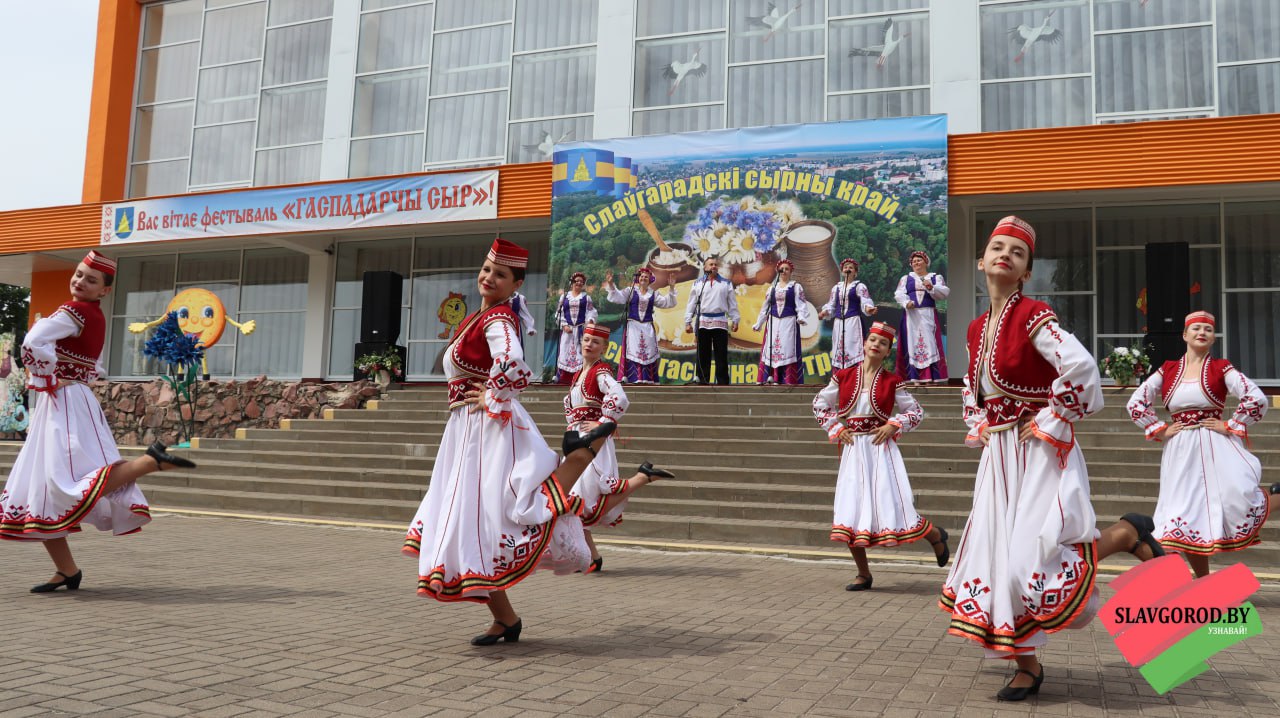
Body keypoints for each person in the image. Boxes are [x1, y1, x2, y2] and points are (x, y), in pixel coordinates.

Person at [944, 216, 1165, 701]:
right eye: (997, 248)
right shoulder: (977, 327)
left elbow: (1082, 367)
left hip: (1040, 451)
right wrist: (978, 422)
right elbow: (972, 385)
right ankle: (1027, 666)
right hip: (999, 457)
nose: (1005, 255)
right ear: (980, 262)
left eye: (1017, 253)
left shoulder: (1034, 316)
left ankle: (1126, 534)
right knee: (999, 562)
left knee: (1031, 559)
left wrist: (1052, 417)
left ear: (1025, 272)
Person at [402, 238, 617, 646]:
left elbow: (515, 363)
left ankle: (580, 457)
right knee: (471, 523)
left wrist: (492, 395)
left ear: (515, 283)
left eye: (500, 274)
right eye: (486, 269)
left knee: (490, 516)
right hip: (467, 430)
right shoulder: (482, 316)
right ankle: (506, 619)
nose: (489, 277)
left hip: (486, 430)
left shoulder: (497, 318)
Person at [0, 250, 197, 592]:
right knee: (43, 489)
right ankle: (67, 571)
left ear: (104, 290)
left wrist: (47, 378)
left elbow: (32, 341)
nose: (80, 282)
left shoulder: (74, 311)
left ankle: (150, 461)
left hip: (63, 401)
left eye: (90, 280)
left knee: (61, 483)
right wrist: (65, 376)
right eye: (78, 275)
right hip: (73, 398)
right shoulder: (95, 315)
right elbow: (96, 366)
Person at [1126, 310, 1280, 577]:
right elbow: (1135, 402)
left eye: (1208, 330)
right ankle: (1203, 581)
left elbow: (1256, 398)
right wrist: (1159, 429)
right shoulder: (1168, 369)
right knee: (1185, 515)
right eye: (1196, 328)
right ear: (1185, 335)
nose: (1202, 333)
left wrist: (1230, 424)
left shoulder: (1222, 368)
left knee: (1240, 499)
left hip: (1214, 445)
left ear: (1213, 338)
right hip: (1180, 450)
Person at [812, 322, 949, 592]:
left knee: (894, 506)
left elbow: (915, 411)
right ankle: (863, 574)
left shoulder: (892, 381)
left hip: (879, 448)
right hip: (853, 450)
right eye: (872, 340)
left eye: (882, 343)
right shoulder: (844, 376)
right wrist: (837, 427)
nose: (876, 345)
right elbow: (819, 404)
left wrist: (893, 425)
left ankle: (934, 534)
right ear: (864, 344)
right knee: (851, 509)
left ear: (887, 351)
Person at [566, 323, 676, 571]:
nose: (589, 344)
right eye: (586, 339)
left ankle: (641, 478)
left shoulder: (600, 372)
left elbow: (620, 397)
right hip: (578, 440)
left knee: (584, 502)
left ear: (604, 348)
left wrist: (603, 422)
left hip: (592, 442)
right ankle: (592, 558)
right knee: (574, 502)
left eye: (595, 342)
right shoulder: (577, 374)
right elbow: (571, 408)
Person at [604, 267, 677, 384]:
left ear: (649, 280)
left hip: (647, 326)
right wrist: (611, 284)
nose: (643, 278)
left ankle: (648, 378)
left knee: (648, 351)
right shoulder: (631, 290)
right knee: (633, 350)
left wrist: (672, 287)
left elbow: (667, 302)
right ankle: (634, 377)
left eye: (646, 277)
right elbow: (618, 297)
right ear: (638, 279)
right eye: (642, 276)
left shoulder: (653, 293)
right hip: (633, 326)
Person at [894, 250, 949, 384]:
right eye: (913, 261)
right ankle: (914, 378)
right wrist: (907, 302)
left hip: (927, 313)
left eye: (919, 260)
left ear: (926, 262)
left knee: (929, 343)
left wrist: (931, 287)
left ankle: (930, 377)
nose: (916, 263)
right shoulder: (906, 278)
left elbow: (944, 293)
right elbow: (899, 294)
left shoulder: (935, 277)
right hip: (911, 315)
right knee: (912, 343)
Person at [753, 259, 811, 385]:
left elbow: (801, 305)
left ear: (791, 272)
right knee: (771, 349)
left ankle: (786, 379)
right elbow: (765, 307)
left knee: (786, 349)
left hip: (789, 322)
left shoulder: (795, 287)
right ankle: (770, 377)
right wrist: (759, 323)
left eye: (787, 269)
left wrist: (801, 316)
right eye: (782, 269)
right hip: (773, 322)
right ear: (778, 271)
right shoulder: (772, 288)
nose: (784, 271)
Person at [683, 256, 739, 385]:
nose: (714, 266)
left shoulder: (726, 283)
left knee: (721, 354)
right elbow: (691, 303)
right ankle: (702, 380)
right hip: (703, 321)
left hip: (720, 321)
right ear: (705, 267)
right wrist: (687, 321)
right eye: (711, 264)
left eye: (715, 264)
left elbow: (732, 304)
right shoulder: (698, 284)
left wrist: (735, 319)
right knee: (703, 354)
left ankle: (723, 382)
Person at [819, 259, 878, 370]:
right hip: (838, 323)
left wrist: (869, 309)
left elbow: (865, 301)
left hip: (853, 321)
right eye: (845, 267)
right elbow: (831, 305)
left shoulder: (860, 286)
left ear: (855, 272)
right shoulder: (836, 288)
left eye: (851, 268)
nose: (848, 269)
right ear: (842, 272)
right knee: (838, 348)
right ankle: (839, 379)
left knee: (853, 348)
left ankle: (855, 378)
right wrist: (824, 312)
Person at [554, 272, 596, 384]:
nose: (579, 283)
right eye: (577, 281)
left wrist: (590, 321)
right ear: (572, 282)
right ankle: (564, 378)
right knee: (565, 351)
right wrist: (564, 325)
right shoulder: (564, 297)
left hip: (580, 329)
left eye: (581, 282)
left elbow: (591, 311)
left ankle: (580, 378)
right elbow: (559, 313)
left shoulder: (586, 298)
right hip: (568, 331)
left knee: (580, 353)